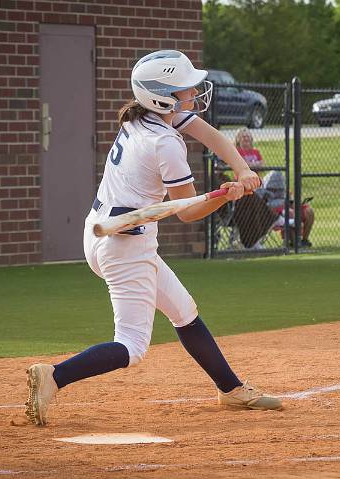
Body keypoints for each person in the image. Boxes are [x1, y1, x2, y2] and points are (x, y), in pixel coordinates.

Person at [24, 50, 282, 426]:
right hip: (126, 245)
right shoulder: (164, 143)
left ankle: (231, 389)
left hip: (102, 231)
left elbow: (211, 136)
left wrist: (243, 169)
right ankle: (54, 376)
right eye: (184, 88)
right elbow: (188, 211)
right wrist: (227, 195)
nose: (193, 91)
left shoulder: (143, 117)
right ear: (162, 96)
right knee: (131, 346)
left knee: (184, 310)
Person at [259, 170, 315, 248]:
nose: (276, 190)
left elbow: (290, 201)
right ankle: (294, 243)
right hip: (274, 216)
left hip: (286, 211)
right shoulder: (263, 193)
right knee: (290, 214)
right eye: (273, 188)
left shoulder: (285, 192)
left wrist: (292, 203)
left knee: (308, 211)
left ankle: (303, 241)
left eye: (277, 188)